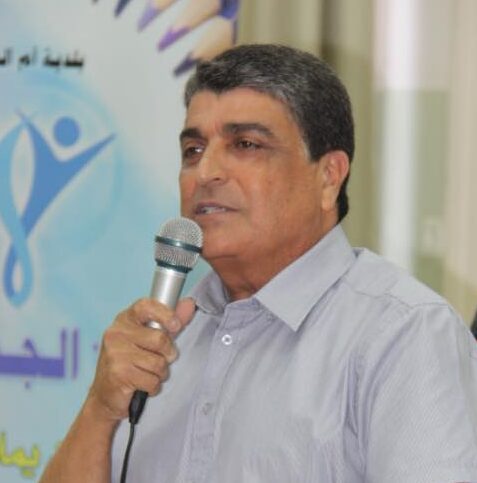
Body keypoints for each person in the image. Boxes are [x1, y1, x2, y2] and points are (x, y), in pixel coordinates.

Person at [40, 44, 477, 483]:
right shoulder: (163, 337)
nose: (205, 172)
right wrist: (99, 409)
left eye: (245, 145)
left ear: (329, 177)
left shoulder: (403, 335)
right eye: (193, 149)